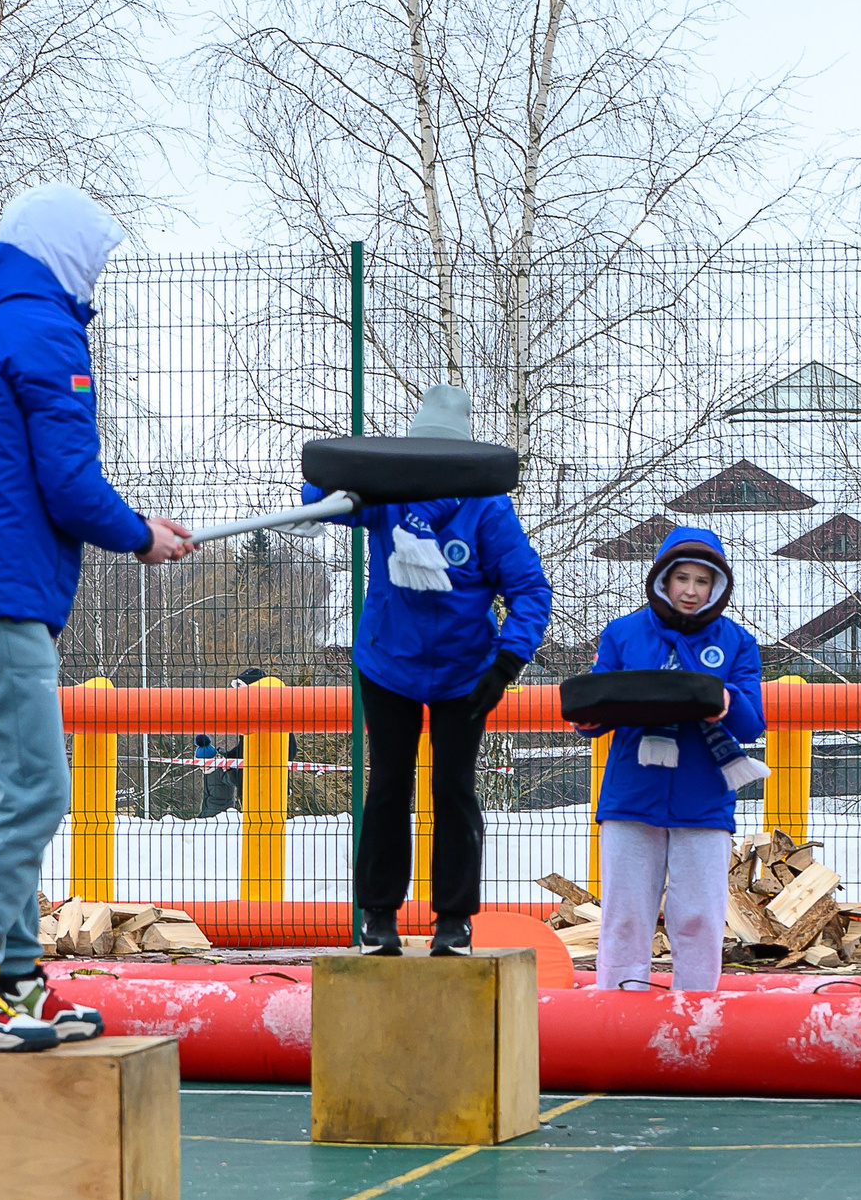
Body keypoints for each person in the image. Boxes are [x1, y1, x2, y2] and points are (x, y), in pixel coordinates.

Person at [0, 183, 194, 1050]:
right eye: (93, 261)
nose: (95, 279)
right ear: (66, 256)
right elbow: (68, 481)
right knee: (36, 791)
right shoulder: (44, 330)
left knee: (12, 790)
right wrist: (140, 535)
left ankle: (17, 982)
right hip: (3, 592)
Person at [314, 384, 552, 956]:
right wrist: (341, 481)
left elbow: (530, 589)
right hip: (388, 662)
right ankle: (377, 914)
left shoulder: (487, 510)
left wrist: (507, 663)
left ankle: (454, 918)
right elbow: (320, 494)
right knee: (389, 784)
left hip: (465, 672)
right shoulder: (389, 497)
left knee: (453, 787)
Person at [572, 528, 770, 991]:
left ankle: (695, 1011)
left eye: (702, 581)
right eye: (682, 578)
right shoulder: (622, 633)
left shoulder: (737, 642)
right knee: (625, 915)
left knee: (699, 916)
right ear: (662, 580)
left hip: (704, 799)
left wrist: (724, 698)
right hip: (631, 795)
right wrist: (586, 717)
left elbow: (750, 725)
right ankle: (619, 1011)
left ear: (717, 587)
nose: (690, 590)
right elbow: (596, 712)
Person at [197, 667, 267, 818]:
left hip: (224, 814)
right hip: (213, 811)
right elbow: (243, 749)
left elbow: (232, 779)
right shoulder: (249, 720)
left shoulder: (261, 716)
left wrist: (228, 766)